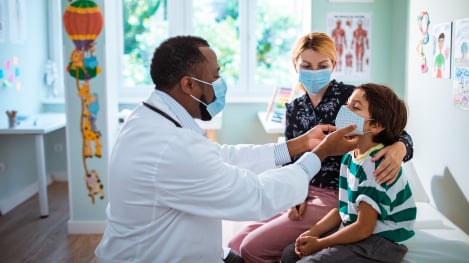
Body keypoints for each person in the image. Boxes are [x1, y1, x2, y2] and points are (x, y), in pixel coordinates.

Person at [94, 35, 359, 263]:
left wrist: (300, 145)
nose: (221, 83)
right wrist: (319, 153)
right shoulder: (170, 146)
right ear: (189, 85)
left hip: (175, 249)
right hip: (156, 256)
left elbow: (223, 156)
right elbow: (257, 196)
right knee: (244, 245)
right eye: (216, 76)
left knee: (245, 249)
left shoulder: (150, 120)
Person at [227, 32, 413, 263]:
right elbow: (291, 158)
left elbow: (395, 131)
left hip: (337, 194)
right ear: (295, 66)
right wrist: (294, 191)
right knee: (235, 245)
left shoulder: (351, 97)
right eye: (306, 65)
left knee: (252, 248)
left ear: (333, 65)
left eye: (322, 65)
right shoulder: (295, 107)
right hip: (302, 189)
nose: (314, 72)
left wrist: (399, 149)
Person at [281, 83, 417, 263]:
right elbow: (343, 209)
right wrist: (313, 232)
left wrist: (320, 243)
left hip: (380, 241)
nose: (345, 110)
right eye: (347, 104)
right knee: (290, 253)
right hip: (357, 226)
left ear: (375, 125)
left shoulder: (375, 165)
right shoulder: (349, 157)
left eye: (356, 107)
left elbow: (363, 228)